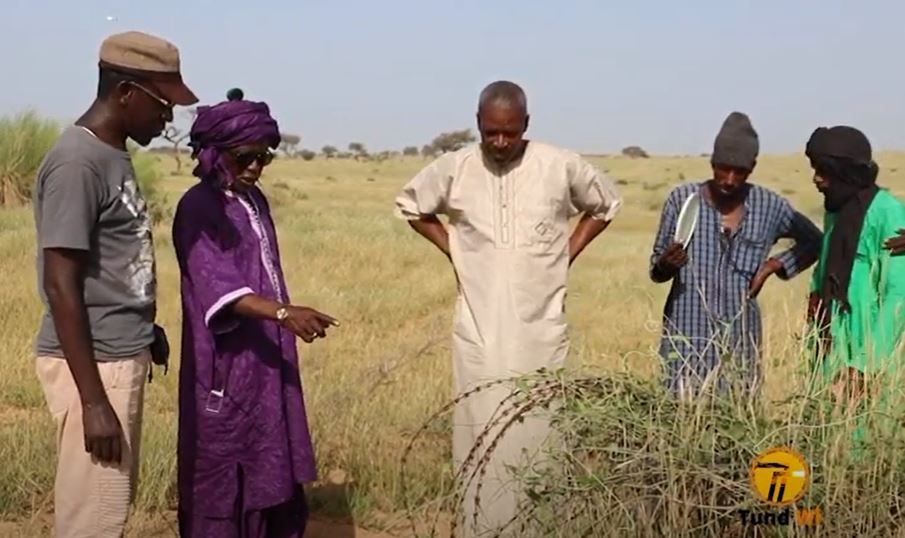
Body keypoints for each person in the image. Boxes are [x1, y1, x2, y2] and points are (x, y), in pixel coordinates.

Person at [394, 80, 623, 537]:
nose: (500, 143)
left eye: (511, 133)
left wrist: (567, 252)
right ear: (478, 124)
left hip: (541, 328)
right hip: (479, 329)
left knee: (540, 426)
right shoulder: (455, 167)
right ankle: (480, 525)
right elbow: (411, 206)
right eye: (491, 133)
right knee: (480, 428)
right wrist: (454, 250)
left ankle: (541, 526)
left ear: (526, 126)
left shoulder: (560, 165)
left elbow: (605, 204)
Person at [31, 31, 197, 537]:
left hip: (117, 354)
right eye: (162, 104)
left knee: (105, 511)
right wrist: (95, 402)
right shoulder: (78, 162)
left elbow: (110, 265)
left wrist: (144, 327)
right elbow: (61, 283)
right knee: (94, 522)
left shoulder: (110, 156)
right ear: (126, 91)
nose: (167, 120)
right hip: (96, 366)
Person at [172, 99, 338, 537]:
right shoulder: (198, 207)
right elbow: (218, 286)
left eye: (264, 157)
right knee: (222, 469)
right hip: (224, 366)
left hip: (266, 360)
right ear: (214, 152)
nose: (255, 167)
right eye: (244, 157)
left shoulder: (254, 200)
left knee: (270, 460)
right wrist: (284, 313)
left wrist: (280, 320)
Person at [649, 112, 822, 399]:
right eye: (723, 169)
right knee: (679, 415)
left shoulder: (770, 205)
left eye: (739, 172)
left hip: (741, 337)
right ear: (712, 163)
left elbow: (815, 241)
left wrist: (774, 265)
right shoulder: (683, 200)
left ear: (752, 168)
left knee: (737, 412)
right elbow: (656, 272)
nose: (729, 180)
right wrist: (666, 264)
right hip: (684, 335)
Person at [804, 126, 905, 448]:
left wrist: (864, 367)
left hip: (868, 357)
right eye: (815, 170)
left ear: (844, 172)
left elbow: (897, 297)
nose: (817, 179)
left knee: (864, 446)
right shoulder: (836, 211)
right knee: (825, 444)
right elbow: (825, 270)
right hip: (830, 347)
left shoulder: (887, 213)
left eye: (823, 171)